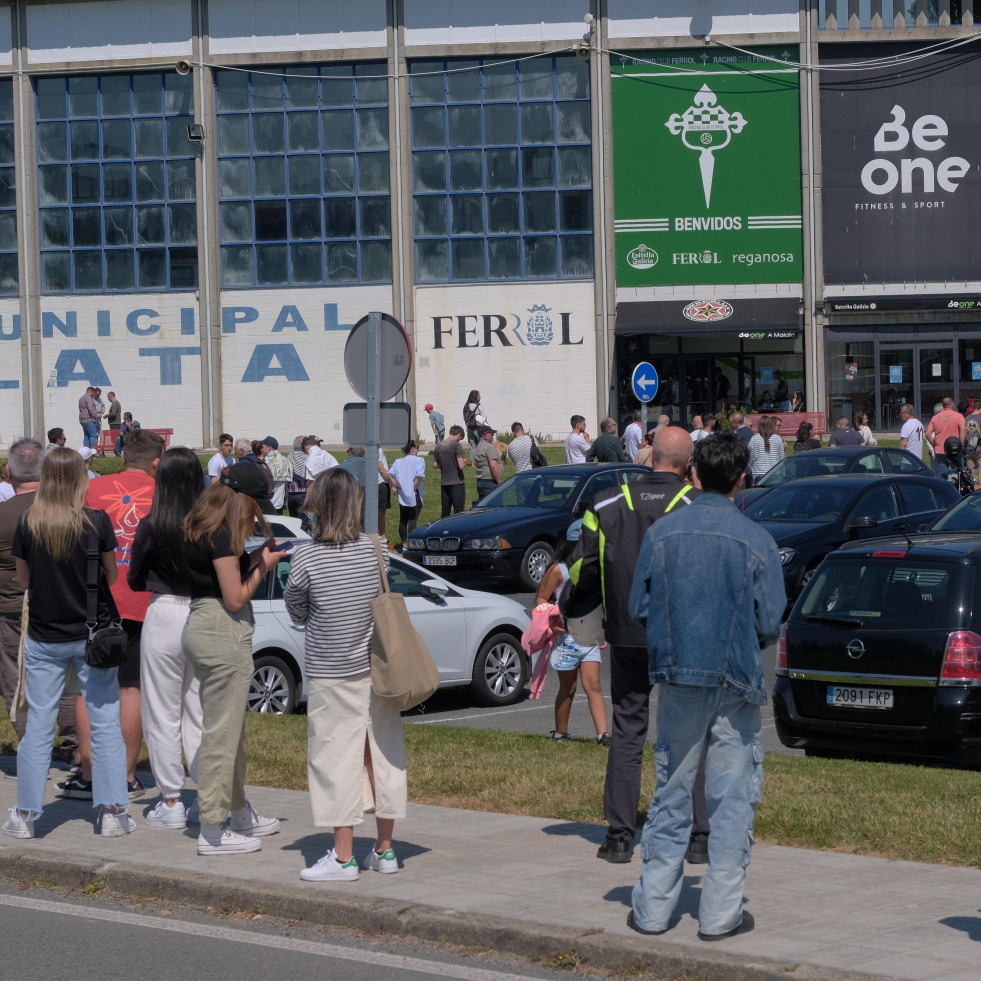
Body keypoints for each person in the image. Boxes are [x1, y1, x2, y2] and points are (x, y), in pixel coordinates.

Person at [628, 432, 785, 940]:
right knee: (731, 797)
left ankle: (653, 909)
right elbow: (767, 624)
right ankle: (719, 914)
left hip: (677, 676)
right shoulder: (757, 540)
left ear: (693, 473)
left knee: (671, 791)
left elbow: (640, 608)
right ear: (742, 481)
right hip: (735, 678)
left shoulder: (662, 534)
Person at [568, 426, 707, 864]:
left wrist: (572, 608)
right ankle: (698, 839)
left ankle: (618, 838)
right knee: (689, 734)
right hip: (683, 637)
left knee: (628, 731)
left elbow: (581, 570)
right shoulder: (698, 506)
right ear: (688, 465)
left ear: (649, 457)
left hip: (625, 634)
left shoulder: (607, 503)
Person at [285, 468, 407, 881]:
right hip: (376, 669)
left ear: (318, 504)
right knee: (382, 755)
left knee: (336, 760)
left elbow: (297, 610)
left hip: (330, 672)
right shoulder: (377, 549)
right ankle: (385, 851)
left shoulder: (304, 556)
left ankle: (343, 858)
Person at [5, 448, 133, 839]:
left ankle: (26, 814)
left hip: (46, 636)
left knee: (39, 725)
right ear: (80, 479)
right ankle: (112, 812)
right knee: (105, 721)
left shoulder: (29, 523)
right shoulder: (96, 522)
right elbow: (111, 577)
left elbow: (24, 581)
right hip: (94, 634)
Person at [181, 466, 283, 855]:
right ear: (244, 501)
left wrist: (251, 557)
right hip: (222, 632)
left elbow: (214, 577)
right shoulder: (223, 533)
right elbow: (235, 597)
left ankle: (238, 811)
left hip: (201, 625)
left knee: (229, 730)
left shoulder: (198, 523)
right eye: (255, 507)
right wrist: (262, 566)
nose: (255, 517)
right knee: (222, 736)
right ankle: (213, 828)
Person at [59, 429, 165, 803]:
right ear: (157, 462)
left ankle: (88, 773)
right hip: (143, 600)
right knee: (130, 687)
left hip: (96, 601)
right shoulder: (164, 495)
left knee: (90, 688)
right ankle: (125, 775)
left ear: (123, 457)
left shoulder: (94, 488)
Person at [127, 447, 205, 830]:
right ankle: (207, 795)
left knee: (161, 710)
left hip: (164, 611)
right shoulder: (210, 524)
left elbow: (134, 577)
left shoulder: (152, 523)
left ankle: (171, 799)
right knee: (200, 709)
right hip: (204, 612)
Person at [0, 439, 77, 760]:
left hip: (12, 609)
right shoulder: (67, 513)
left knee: (15, 679)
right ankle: (76, 745)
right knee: (67, 679)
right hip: (61, 607)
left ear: (9, 471)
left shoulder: (3, 514)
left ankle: (34, 749)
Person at [535, 520, 609, 745]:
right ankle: (561, 733)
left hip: (589, 638)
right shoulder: (559, 570)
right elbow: (541, 598)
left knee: (593, 685)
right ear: (570, 544)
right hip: (565, 639)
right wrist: (551, 621)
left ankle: (603, 735)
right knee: (568, 688)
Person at [389, 441, 425, 551]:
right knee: (413, 519)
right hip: (414, 493)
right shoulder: (419, 460)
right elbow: (419, 477)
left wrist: (397, 486)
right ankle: (411, 543)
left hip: (403, 494)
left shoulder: (398, 461)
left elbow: (389, 474)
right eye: (417, 447)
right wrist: (413, 488)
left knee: (403, 519)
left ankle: (404, 542)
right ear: (413, 448)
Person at [432, 425, 470, 517]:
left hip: (444, 483)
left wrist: (445, 465)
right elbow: (461, 466)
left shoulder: (439, 445)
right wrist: (465, 462)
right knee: (459, 510)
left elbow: (435, 465)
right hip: (457, 482)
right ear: (459, 434)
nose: (459, 440)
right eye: (460, 438)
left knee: (445, 510)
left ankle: (443, 529)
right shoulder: (457, 446)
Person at [926, 398, 966, 477]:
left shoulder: (935, 418)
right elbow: (963, 429)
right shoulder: (959, 416)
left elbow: (927, 434)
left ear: (943, 406)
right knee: (959, 473)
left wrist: (934, 445)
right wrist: (961, 444)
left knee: (944, 476)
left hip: (940, 451)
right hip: (955, 449)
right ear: (953, 406)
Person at [263, 437, 293, 513]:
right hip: (279, 504)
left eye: (262, 447)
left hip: (266, 504)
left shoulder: (263, 461)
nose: (261, 449)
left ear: (269, 448)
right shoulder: (286, 461)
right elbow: (287, 485)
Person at [472, 425, 503, 499]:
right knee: (495, 507)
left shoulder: (478, 447)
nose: (493, 436)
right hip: (490, 482)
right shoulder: (489, 446)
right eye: (491, 434)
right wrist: (499, 481)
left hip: (481, 482)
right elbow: (493, 466)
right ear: (486, 436)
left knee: (484, 508)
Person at [376, 448, 399, 538]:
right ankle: (382, 537)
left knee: (382, 511)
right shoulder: (376, 450)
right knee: (380, 511)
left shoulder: (379, 449)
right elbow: (382, 470)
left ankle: (382, 535)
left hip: (384, 482)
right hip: (380, 483)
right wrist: (393, 484)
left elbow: (385, 468)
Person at [286, 436, 308, 518]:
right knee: (304, 523)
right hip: (303, 494)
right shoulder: (307, 458)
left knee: (294, 522)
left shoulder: (288, 457)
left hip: (291, 495)